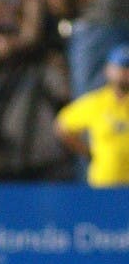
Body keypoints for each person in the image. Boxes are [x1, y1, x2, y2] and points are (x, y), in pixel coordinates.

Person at [54, 44, 129, 187]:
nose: (125, 73)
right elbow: (62, 125)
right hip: (105, 184)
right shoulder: (97, 102)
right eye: (121, 67)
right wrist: (88, 152)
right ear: (108, 69)